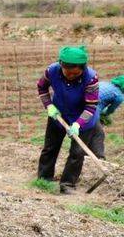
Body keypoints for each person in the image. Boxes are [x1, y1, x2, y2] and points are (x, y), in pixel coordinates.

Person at [36, 46, 102, 194]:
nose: (70, 76)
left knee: (77, 153)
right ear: (61, 65)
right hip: (58, 115)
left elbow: (91, 106)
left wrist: (78, 124)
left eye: (75, 73)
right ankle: (44, 179)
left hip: (83, 119)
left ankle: (67, 185)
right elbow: (42, 88)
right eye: (67, 72)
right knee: (50, 147)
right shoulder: (51, 70)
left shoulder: (91, 78)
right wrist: (49, 106)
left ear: (82, 68)